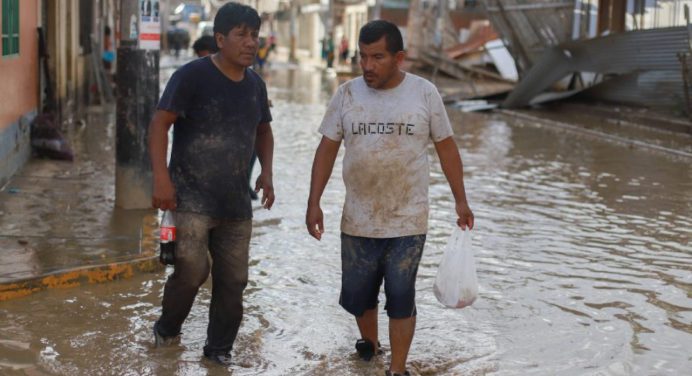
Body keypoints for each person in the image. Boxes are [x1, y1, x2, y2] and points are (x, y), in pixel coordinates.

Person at [305, 20, 474, 376]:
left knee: (401, 296)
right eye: (363, 57)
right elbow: (327, 150)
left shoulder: (424, 94)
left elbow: (446, 148)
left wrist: (461, 200)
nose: (367, 66)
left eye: (377, 57)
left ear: (399, 57)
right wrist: (313, 201)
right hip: (358, 217)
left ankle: (397, 369)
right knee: (359, 296)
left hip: (408, 218)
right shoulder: (347, 94)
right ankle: (371, 344)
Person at [148, 2, 274, 366]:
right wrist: (161, 178)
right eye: (242, 35)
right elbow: (160, 124)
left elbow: (264, 130)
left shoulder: (255, 85)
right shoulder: (191, 77)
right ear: (220, 39)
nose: (251, 43)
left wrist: (266, 172)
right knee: (191, 271)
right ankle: (167, 329)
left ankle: (218, 352)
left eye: (254, 35)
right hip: (189, 197)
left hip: (236, 203)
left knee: (233, 283)